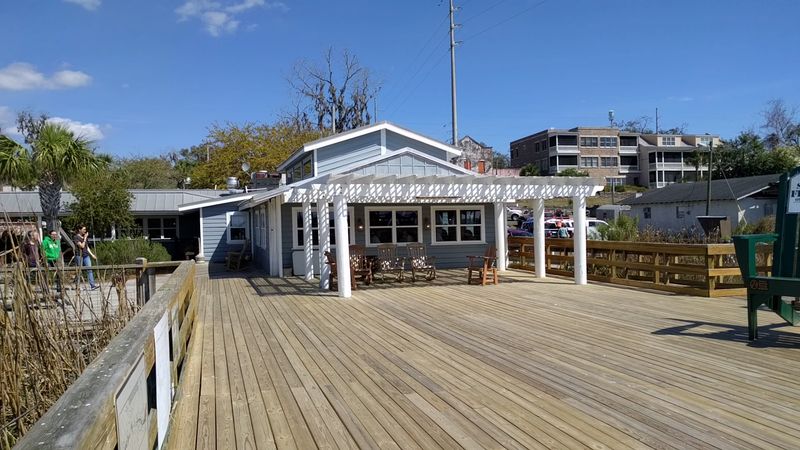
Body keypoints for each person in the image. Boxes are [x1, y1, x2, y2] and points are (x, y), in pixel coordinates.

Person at [73, 225, 98, 290]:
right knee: (79, 271)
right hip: (79, 255)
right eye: (84, 229)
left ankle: (92, 285)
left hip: (86, 255)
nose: (85, 231)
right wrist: (84, 238)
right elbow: (82, 246)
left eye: (85, 229)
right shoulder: (76, 237)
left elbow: (86, 247)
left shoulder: (85, 237)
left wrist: (92, 255)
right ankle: (77, 285)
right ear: (79, 230)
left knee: (89, 269)